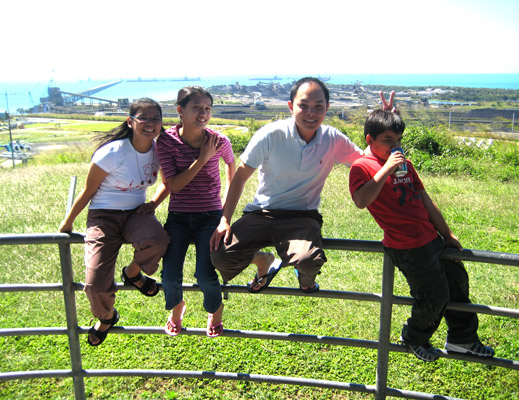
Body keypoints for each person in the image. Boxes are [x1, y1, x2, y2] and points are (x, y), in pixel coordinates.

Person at [210, 77, 390, 294]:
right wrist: (225, 219)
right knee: (221, 255)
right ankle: (263, 262)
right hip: (262, 213)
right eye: (303, 106)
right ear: (290, 106)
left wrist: (386, 124)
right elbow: (240, 177)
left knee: (308, 261)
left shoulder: (331, 138)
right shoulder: (270, 135)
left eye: (318, 107)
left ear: (327, 108)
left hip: (302, 216)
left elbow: (363, 158)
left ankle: (305, 279)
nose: (311, 113)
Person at [349, 109, 495, 362]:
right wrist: (386, 169)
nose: (395, 147)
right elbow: (361, 200)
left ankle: (463, 338)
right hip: (406, 246)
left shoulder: (405, 164)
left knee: (457, 285)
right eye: (388, 141)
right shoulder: (362, 166)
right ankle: (414, 337)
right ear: (369, 139)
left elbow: (425, 200)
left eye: (398, 141)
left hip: (431, 238)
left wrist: (447, 233)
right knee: (433, 296)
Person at [59, 98, 170, 346]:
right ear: (130, 122)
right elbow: (88, 191)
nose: (150, 124)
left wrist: (153, 203)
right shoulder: (113, 152)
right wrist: (68, 223)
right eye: (144, 118)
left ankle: (133, 274)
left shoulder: (161, 150)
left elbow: (168, 181)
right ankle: (107, 316)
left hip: (136, 214)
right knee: (95, 284)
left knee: (158, 239)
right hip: (103, 215)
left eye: (156, 119)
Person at [157, 86, 236, 338]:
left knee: (205, 274)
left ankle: (215, 308)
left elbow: (231, 165)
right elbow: (175, 185)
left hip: (210, 216)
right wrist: (202, 158)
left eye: (207, 109)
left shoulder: (219, 140)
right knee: (169, 276)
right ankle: (176, 305)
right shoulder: (167, 141)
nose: (203, 114)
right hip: (178, 216)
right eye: (197, 108)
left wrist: (226, 206)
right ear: (180, 110)